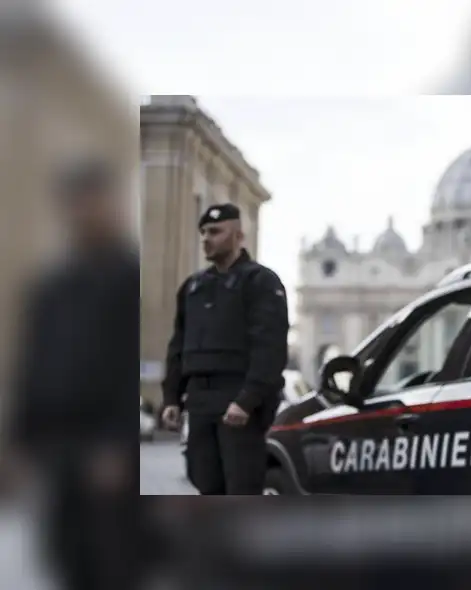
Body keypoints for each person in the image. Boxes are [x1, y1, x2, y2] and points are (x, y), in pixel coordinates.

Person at [4, 157, 139, 589]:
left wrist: (119, 440)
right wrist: (18, 444)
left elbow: (127, 363)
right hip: (55, 442)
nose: (84, 211)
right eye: (75, 203)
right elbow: (31, 366)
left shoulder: (128, 278)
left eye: (92, 201)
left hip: (106, 447)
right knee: (63, 555)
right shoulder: (52, 286)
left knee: (111, 560)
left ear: (110, 204)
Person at [160, 203, 289, 495]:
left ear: (238, 237)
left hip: (238, 400)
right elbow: (178, 345)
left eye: (216, 232)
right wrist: (171, 398)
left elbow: (270, 347)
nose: (206, 238)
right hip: (200, 401)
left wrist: (247, 399)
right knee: (204, 481)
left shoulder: (260, 282)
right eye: (203, 232)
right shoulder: (193, 287)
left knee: (241, 486)